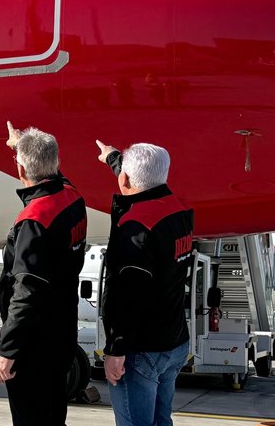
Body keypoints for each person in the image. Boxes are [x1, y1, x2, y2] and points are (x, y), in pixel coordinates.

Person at [0, 122, 88, 426]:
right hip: (62, 332)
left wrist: (8, 349)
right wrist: (20, 146)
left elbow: (27, 290)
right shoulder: (73, 199)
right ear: (56, 163)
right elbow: (57, 178)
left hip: (34, 343)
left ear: (20, 170)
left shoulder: (33, 220)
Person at [95, 140, 194, 426]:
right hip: (173, 341)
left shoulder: (136, 229)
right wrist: (113, 158)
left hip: (142, 349)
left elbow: (128, 296)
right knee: (161, 420)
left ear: (125, 179)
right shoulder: (177, 211)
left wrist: (116, 350)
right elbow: (143, 183)